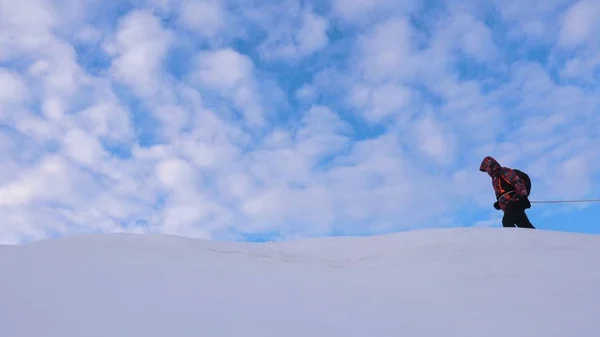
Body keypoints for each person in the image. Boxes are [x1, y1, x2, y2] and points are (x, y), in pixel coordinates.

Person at [479, 156, 535, 229]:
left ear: (491, 165)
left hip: (515, 201)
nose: (487, 171)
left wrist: (522, 196)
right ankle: (538, 239)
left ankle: (514, 240)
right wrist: (499, 203)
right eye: (485, 169)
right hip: (508, 205)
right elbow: (502, 193)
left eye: (487, 168)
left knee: (507, 222)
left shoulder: (504, 172)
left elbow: (517, 181)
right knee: (525, 226)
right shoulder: (495, 180)